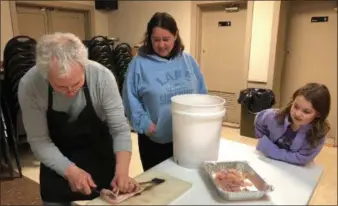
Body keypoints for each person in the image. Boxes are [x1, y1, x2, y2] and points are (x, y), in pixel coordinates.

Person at [18, 32, 139, 206]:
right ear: (45, 75)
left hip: (99, 153)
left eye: (76, 83)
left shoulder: (102, 77)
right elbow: (39, 141)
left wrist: (122, 172)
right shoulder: (30, 85)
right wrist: (70, 171)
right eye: (61, 86)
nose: (70, 91)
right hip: (56, 157)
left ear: (84, 66)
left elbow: (119, 129)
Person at [122, 12, 208, 172]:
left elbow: (202, 93)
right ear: (149, 38)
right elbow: (129, 98)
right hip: (155, 140)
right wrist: (145, 124)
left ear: (175, 36)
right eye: (156, 40)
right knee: (160, 188)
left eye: (166, 39)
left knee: (188, 179)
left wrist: (202, 123)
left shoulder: (188, 61)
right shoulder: (138, 64)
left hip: (188, 138)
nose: (161, 45)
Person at [254, 83, 331, 166]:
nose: (297, 114)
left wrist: (269, 149)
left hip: (293, 169)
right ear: (292, 102)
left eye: (306, 111)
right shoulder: (274, 116)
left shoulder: (318, 134)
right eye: (296, 106)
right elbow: (259, 119)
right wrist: (262, 138)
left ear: (318, 114)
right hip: (267, 163)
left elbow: (301, 159)